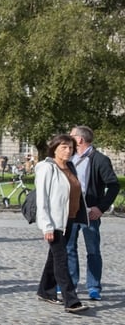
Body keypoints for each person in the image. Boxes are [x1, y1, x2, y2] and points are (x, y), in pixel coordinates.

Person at [34, 134, 90, 313]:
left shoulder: (70, 167)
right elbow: (42, 199)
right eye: (64, 147)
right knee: (61, 259)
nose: (68, 151)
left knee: (54, 258)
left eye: (71, 148)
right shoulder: (46, 168)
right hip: (54, 221)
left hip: (69, 219)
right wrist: (47, 226)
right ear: (55, 148)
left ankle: (46, 290)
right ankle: (71, 300)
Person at [66, 125, 120, 300]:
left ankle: (94, 286)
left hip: (90, 211)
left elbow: (113, 185)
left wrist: (100, 207)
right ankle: (71, 284)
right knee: (69, 249)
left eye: (71, 135)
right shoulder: (69, 158)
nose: (68, 138)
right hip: (71, 210)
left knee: (93, 250)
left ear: (79, 140)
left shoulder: (100, 159)